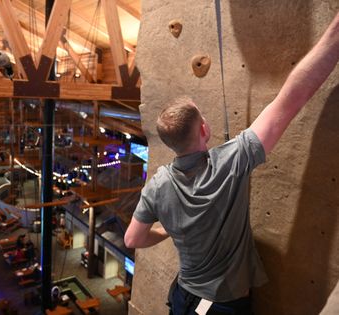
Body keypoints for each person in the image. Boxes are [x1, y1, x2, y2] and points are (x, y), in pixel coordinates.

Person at [124, 13, 339, 315]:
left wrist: (166, 231)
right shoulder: (231, 160)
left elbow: (132, 238)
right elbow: (291, 98)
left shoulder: (158, 185)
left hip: (184, 295)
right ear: (203, 130)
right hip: (222, 305)